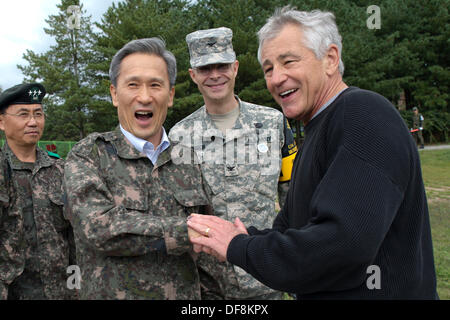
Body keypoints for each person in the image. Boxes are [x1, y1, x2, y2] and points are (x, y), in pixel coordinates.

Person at [187, 6, 438, 299]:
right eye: (268, 69)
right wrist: (243, 238)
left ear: (330, 59)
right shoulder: (318, 129)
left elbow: (343, 246)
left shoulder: (362, 114)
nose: (276, 78)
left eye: (288, 62)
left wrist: (239, 246)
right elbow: (292, 229)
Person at [64, 38, 211, 299]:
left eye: (156, 85)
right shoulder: (89, 154)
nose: (144, 97)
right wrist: (184, 231)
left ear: (170, 95)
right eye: (133, 85)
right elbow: (98, 229)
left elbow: (208, 250)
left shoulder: (187, 159)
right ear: (114, 94)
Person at [169, 27, 297, 300]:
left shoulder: (273, 123)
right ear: (193, 75)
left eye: (222, 65)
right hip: (209, 287)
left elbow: (294, 198)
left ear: (235, 67)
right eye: (205, 68)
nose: (215, 75)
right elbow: (175, 212)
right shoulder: (180, 136)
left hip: (266, 277)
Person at [0, 83, 76, 299]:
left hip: (61, 291)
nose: (33, 122)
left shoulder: (61, 170)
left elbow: (74, 236)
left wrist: (77, 283)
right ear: (2, 122)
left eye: (38, 114)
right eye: (23, 114)